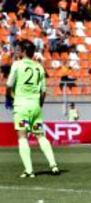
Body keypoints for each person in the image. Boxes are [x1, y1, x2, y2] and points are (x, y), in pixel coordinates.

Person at [5, 40, 59, 178]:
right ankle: (53, 165)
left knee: (22, 137)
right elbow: (44, 91)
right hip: (35, 105)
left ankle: (29, 170)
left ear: (23, 51)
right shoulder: (39, 67)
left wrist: (9, 97)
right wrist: (39, 104)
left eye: (19, 48)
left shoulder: (17, 64)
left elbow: (9, 84)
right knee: (40, 135)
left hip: (21, 105)